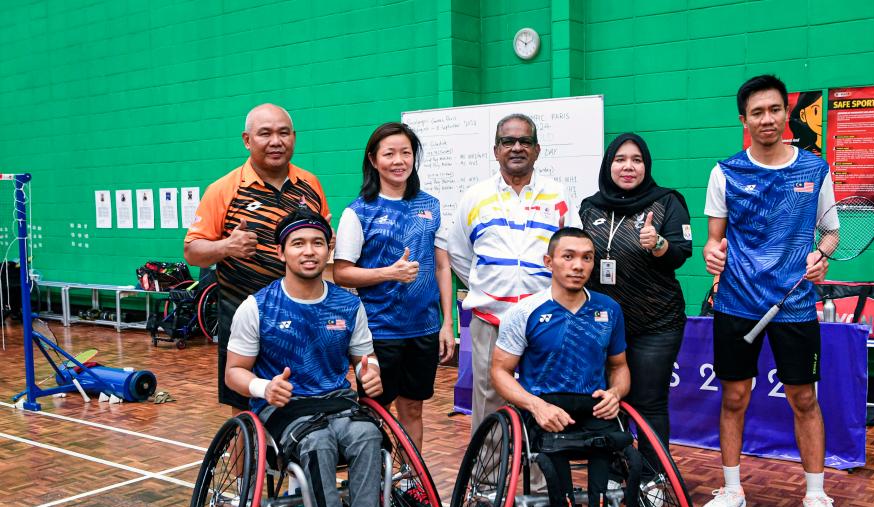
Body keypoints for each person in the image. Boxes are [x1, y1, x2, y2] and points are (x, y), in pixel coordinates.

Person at [225, 208, 399, 507]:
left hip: (336, 402)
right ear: (282, 251)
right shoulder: (257, 307)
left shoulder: (347, 305)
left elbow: (364, 359)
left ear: (329, 249)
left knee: (369, 433)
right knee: (317, 443)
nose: (309, 251)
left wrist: (370, 374)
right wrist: (262, 386)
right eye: (298, 243)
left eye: (317, 243)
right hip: (284, 408)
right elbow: (233, 372)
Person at [701, 74, 842, 507]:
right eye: (757, 112)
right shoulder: (725, 172)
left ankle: (817, 496)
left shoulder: (815, 170)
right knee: (735, 397)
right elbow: (714, 241)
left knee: (804, 398)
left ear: (787, 113)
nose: (767, 119)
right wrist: (711, 255)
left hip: (796, 303)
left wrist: (822, 256)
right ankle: (732, 489)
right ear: (744, 120)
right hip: (738, 301)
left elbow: (831, 233)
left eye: (774, 110)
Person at [491, 227, 631, 507]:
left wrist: (616, 393)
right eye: (568, 257)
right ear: (549, 262)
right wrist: (536, 406)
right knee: (555, 443)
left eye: (586, 258)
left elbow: (620, 367)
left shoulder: (609, 309)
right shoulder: (525, 312)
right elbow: (499, 372)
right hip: (545, 405)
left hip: (591, 402)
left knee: (607, 438)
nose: (578, 266)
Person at [184, 103, 330, 414]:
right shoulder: (223, 189)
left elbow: (323, 246)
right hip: (244, 319)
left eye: (283, 133)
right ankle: (249, 465)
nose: (276, 141)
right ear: (247, 140)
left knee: (304, 407)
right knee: (246, 415)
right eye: (265, 134)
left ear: (294, 137)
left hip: (301, 320)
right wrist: (226, 247)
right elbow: (192, 251)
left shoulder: (311, 185)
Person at [448, 113, 581, 433]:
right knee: (489, 396)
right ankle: (490, 478)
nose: (516, 147)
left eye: (525, 141)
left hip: (545, 318)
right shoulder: (475, 197)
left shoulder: (558, 195)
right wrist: (490, 286)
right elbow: (458, 252)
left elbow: (573, 250)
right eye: (508, 141)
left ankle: (536, 479)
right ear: (496, 150)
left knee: (543, 395)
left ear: (537, 150)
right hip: (490, 319)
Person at [332, 123, 454, 451]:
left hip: (424, 329)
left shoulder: (431, 206)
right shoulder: (358, 212)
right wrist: (389, 273)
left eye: (406, 153)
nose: (398, 160)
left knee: (414, 408)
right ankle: (373, 480)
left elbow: (443, 266)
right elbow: (342, 273)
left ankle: (411, 481)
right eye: (389, 154)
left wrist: (447, 323)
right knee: (374, 410)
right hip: (377, 333)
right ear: (373, 160)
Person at [579, 132, 692, 463]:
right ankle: (616, 472)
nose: (628, 167)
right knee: (607, 401)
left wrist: (658, 244)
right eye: (620, 159)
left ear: (646, 165)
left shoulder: (668, 201)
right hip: (604, 326)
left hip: (656, 322)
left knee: (649, 401)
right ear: (608, 165)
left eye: (637, 160)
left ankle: (654, 478)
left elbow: (681, 253)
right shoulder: (590, 207)